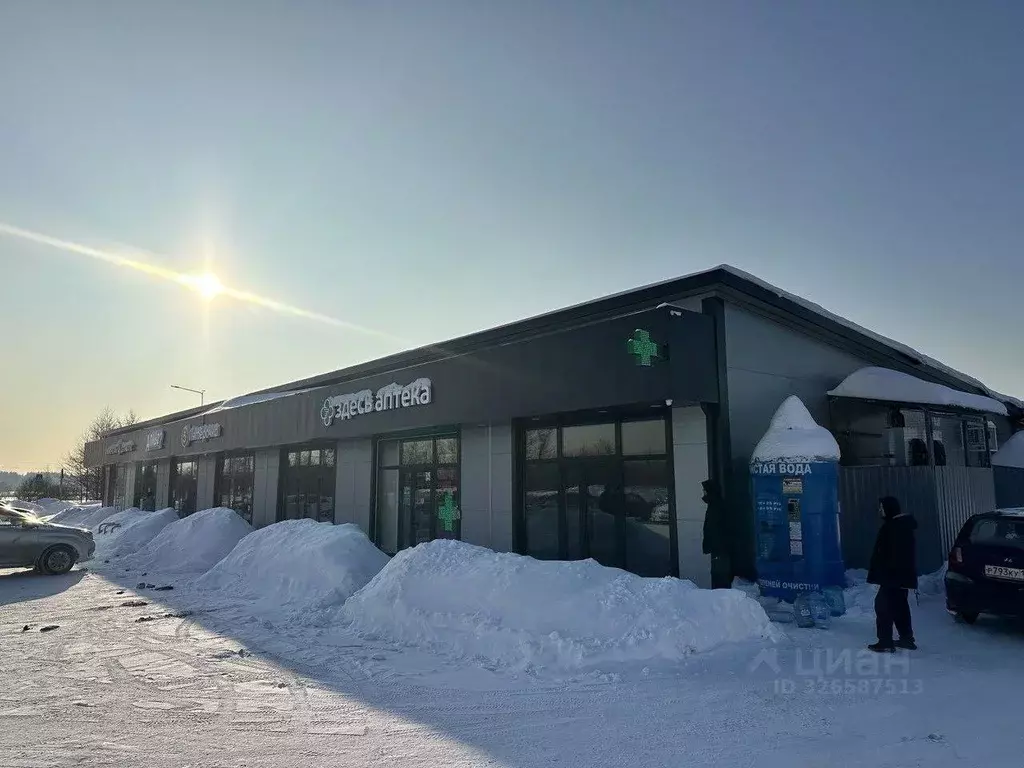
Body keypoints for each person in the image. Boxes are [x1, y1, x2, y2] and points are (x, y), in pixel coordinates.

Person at [867, 496, 918, 652]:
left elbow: (892, 554)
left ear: (889, 509)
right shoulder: (900, 526)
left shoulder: (894, 528)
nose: (879, 511)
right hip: (900, 577)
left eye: (881, 508)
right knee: (900, 607)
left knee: (883, 606)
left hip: (893, 577)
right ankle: (906, 638)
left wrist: (885, 574)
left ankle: (885, 641)